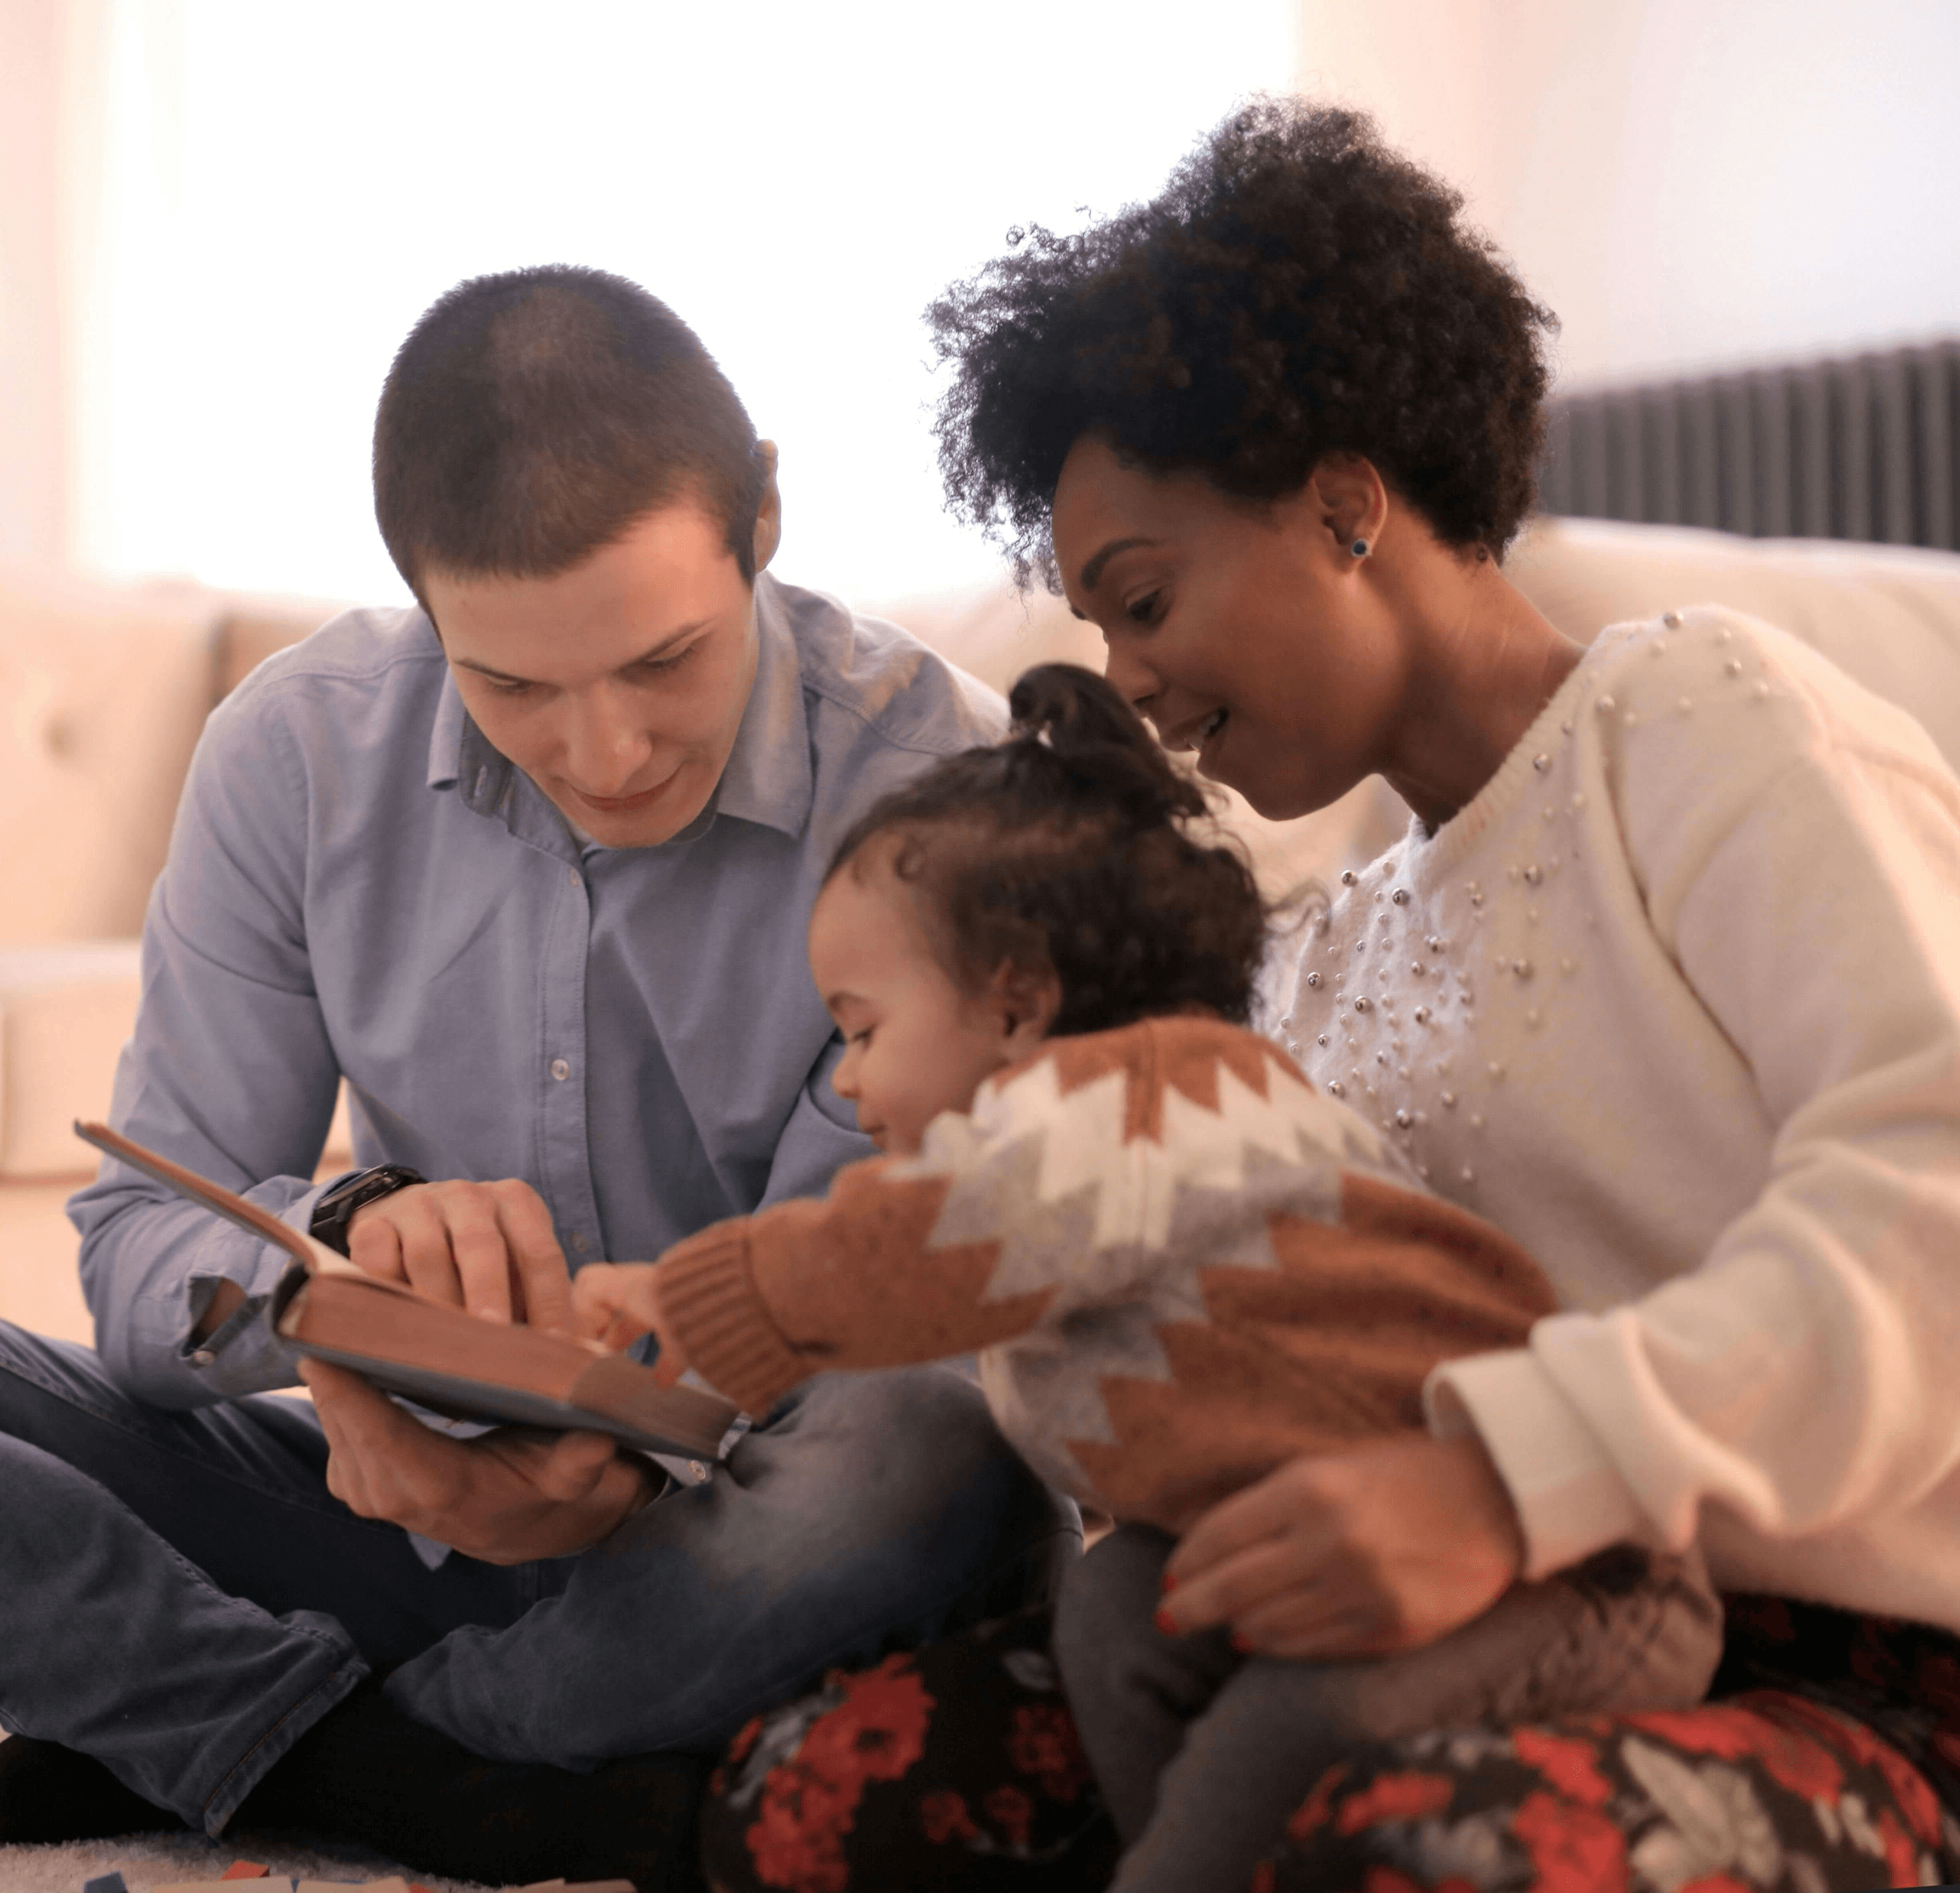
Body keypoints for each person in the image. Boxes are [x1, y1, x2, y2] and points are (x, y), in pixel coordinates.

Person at [0, 264, 1074, 1891]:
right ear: (421, 603)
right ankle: (388, 1768)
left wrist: (618, 1460)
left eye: (664, 660)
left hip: (749, 1536)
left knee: (943, 1456)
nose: (607, 754)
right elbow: (139, 1261)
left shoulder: (948, 785)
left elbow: (899, 1308)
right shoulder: (296, 752)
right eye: (514, 683)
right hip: (387, 1512)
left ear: (765, 522)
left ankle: (254, 1736)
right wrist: (333, 1287)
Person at [696, 98, 1960, 1893]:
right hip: (1432, 1635)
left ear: (1347, 501)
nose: (1127, 683)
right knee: (823, 1799)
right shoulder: (1321, 942)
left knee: (1392, 1847)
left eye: (1145, 600)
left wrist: (1502, 1481)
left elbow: (1936, 1195)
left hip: (1867, 1663)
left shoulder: (1697, 724)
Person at [574, 661, 1724, 1893]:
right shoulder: (1109, 1164)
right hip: (1333, 1561)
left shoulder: (1140, 1108)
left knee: (1293, 1732)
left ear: (1018, 1007)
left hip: (1575, 1580)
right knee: (1123, 1603)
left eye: (861, 1030)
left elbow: (920, 1240)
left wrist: (703, 1296)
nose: (846, 1082)